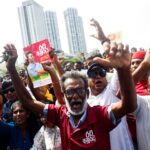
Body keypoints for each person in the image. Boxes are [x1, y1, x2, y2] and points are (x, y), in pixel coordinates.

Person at [4, 43, 136, 150]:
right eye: (70, 92)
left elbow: (128, 105)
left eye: (79, 90)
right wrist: (11, 68)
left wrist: (123, 69)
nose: (75, 96)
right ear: (64, 96)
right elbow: (28, 101)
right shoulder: (60, 115)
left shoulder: (101, 115)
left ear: (87, 93)